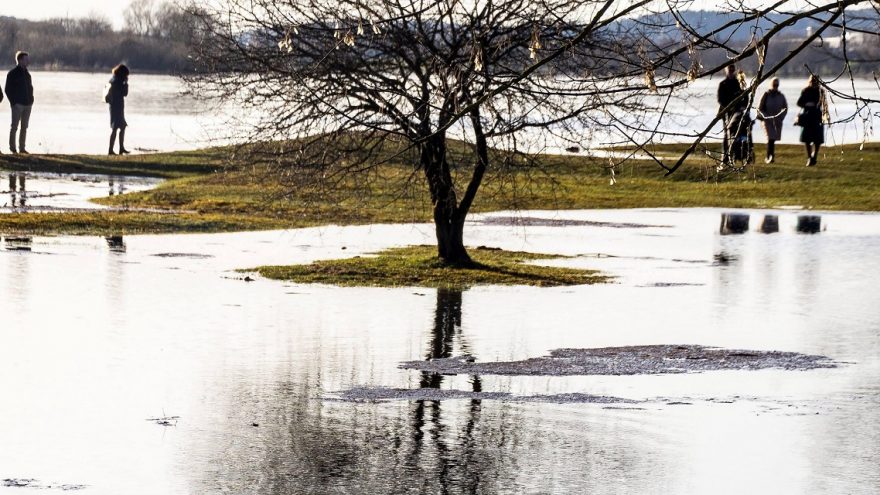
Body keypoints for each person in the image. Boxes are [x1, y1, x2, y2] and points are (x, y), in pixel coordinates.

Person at [4, 51, 34, 155]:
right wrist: (14, 102)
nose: (28, 61)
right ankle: (13, 149)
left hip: (28, 104)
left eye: (28, 59)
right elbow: (7, 89)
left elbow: (30, 88)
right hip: (17, 105)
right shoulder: (12, 73)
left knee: (24, 127)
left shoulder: (27, 74)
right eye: (26, 59)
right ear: (20, 60)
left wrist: (31, 100)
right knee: (14, 127)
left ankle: (22, 148)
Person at [717, 64, 746, 165]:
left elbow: (745, 96)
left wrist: (743, 107)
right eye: (729, 70)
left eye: (732, 70)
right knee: (727, 134)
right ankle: (725, 156)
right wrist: (728, 107)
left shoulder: (739, 83)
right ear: (726, 71)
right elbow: (720, 100)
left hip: (738, 112)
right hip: (726, 112)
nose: (731, 71)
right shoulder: (723, 84)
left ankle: (737, 154)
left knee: (739, 133)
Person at [757, 78, 787, 164]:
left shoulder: (781, 96)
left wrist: (781, 117)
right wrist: (766, 117)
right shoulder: (766, 95)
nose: (775, 86)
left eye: (777, 85)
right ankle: (770, 156)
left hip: (777, 121)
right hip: (767, 121)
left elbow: (785, 108)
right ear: (771, 84)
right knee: (770, 138)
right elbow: (759, 108)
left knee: (773, 139)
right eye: (774, 84)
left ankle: (770, 156)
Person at [796, 75, 824, 167]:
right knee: (807, 139)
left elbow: (823, 103)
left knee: (817, 139)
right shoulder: (805, 90)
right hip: (807, 116)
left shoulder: (821, 91)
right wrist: (807, 104)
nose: (813, 82)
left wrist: (816, 104)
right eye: (812, 80)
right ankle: (809, 157)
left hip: (817, 116)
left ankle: (814, 156)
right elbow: (799, 102)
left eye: (815, 81)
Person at [107, 64, 130, 155]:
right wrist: (126, 84)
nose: (127, 76)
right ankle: (111, 150)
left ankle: (120, 148)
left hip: (115, 107)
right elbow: (125, 93)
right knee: (116, 128)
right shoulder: (119, 81)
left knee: (121, 127)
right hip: (117, 107)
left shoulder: (113, 79)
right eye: (126, 75)